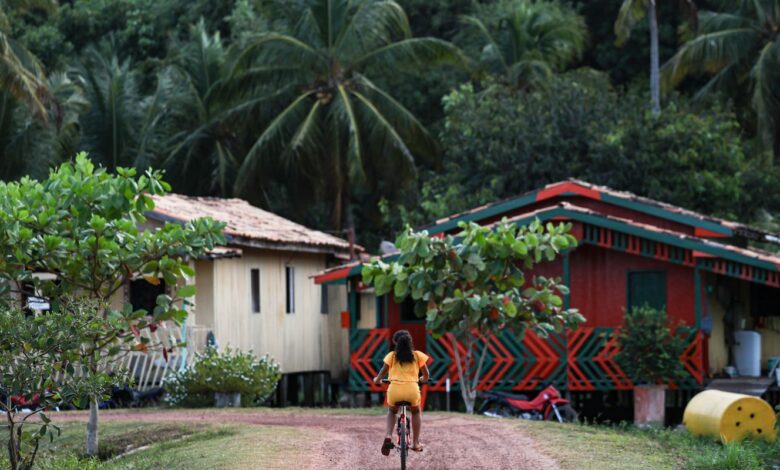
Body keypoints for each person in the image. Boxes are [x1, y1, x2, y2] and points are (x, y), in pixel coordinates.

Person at [373, 329, 430, 455]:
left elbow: (382, 372)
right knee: (415, 411)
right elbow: (426, 375)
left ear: (395, 343)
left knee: (392, 411)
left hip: (395, 390)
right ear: (410, 341)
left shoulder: (392, 356)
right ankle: (415, 443)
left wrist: (377, 380)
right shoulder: (417, 355)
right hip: (412, 390)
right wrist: (422, 379)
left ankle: (388, 435)